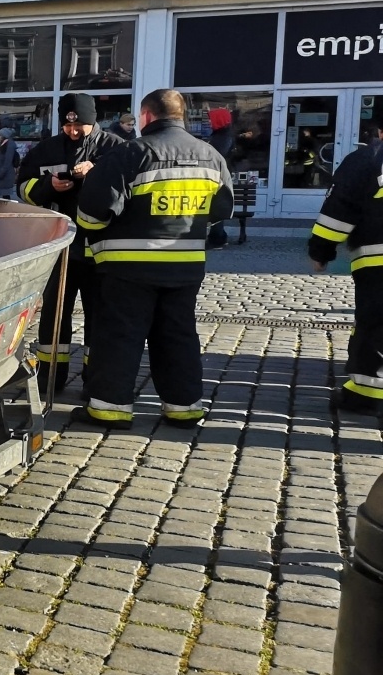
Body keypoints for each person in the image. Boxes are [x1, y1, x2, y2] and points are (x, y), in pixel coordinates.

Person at [75, 88, 233, 429]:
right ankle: (184, 408)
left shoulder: (131, 153)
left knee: (120, 335)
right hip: (186, 267)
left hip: (128, 268)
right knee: (179, 337)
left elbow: (91, 214)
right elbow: (221, 211)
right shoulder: (211, 156)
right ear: (181, 116)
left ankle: (109, 409)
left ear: (146, 116)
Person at [15, 92, 127, 394]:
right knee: (53, 316)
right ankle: (51, 377)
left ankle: (96, 378)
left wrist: (98, 173)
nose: (74, 131)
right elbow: (23, 188)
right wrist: (46, 187)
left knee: (99, 318)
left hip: (102, 251)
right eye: (68, 126)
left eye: (80, 127)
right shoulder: (46, 149)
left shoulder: (116, 148)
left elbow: (129, 192)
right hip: (60, 250)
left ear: (94, 122)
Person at [309, 137, 383, 414]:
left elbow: (338, 212)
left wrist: (321, 251)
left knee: (376, 325)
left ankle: (367, 395)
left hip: (378, 261)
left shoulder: (369, 159)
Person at [0, 127, 20, 200]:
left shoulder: (9, 145)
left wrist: (1, 172)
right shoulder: (2, 144)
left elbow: (7, 160)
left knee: (6, 194)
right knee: (4, 194)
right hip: (3, 172)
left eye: (0, 135)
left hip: (6, 173)